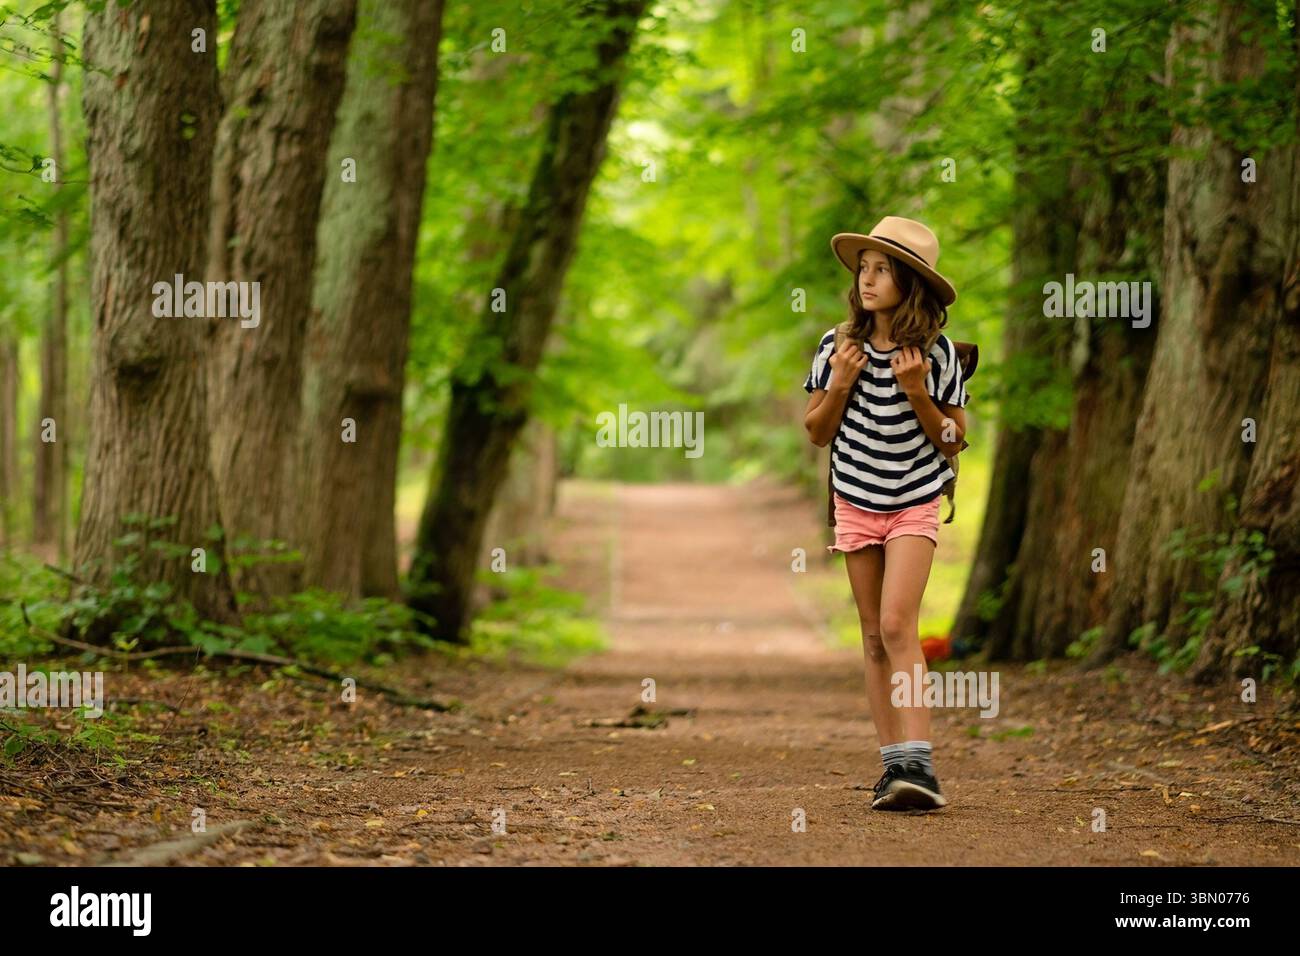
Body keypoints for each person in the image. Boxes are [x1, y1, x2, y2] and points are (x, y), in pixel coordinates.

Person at [801, 216, 969, 811]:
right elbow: (818, 433)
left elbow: (952, 440)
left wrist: (919, 393)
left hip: (916, 501)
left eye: (882, 270)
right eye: (863, 269)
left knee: (899, 625)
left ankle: (920, 768)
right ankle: (894, 769)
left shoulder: (939, 353)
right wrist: (841, 384)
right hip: (855, 500)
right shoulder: (835, 347)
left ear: (910, 282)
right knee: (873, 637)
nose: (867, 280)